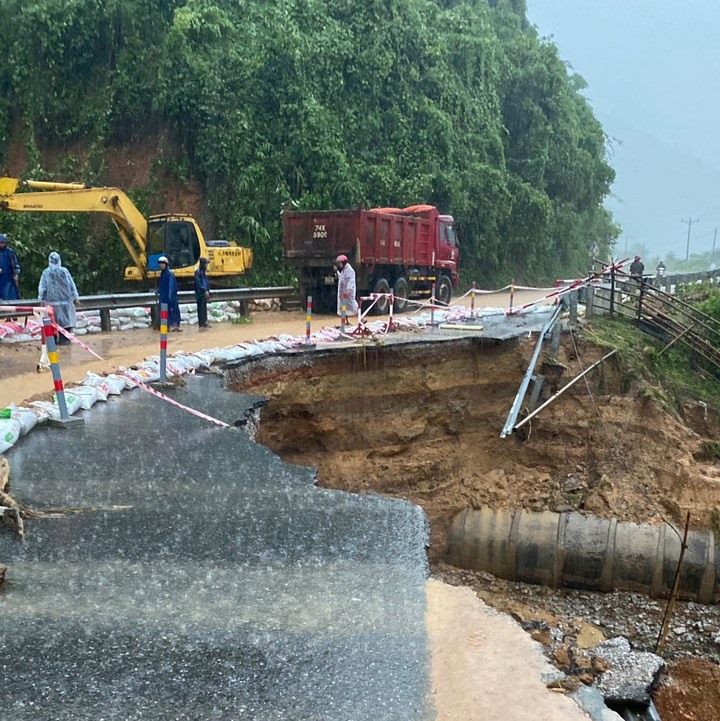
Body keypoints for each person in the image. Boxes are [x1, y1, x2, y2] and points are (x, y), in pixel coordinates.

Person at [38, 252, 79, 345]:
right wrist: (75, 297)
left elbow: (42, 288)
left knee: (52, 321)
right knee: (65, 322)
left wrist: (41, 300)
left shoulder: (46, 272)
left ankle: (54, 342)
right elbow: (72, 284)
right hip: (64, 302)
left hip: (51, 303)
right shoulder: (64, 271)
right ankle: (64, 340)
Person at [158, 256, 182, 332]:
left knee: (173, 312)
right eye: (160, 263)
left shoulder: (169, 274)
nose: (161, 265)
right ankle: (165, 327)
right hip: (163, 297)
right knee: (164, 312)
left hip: (170, 297)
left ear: (166, 264)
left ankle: (175, 326)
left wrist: (170, 297)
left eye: (162, 263)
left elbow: (171, 286)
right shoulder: (162, 274)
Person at [335, 254, 358, 321]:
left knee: (352, 305)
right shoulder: (343, 270)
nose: (339, 265)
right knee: (343, 307)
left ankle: (361, 318)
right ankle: (345, 322)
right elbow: (342, 278)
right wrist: (336, 272)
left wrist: (348, 291)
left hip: (348, 292)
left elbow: (351, 282)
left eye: (339, 263)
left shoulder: (349, 270)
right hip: (342, 292)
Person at [0, 233, 21, 300]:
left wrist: (16, 273)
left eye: (3, 242)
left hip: (9, 279)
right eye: (1, 242)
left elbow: (15, 264)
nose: (2, 244)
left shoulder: (10, 252)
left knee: (10, 296)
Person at [194, 257, 211, 330]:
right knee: (201, 309)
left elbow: (205, 283)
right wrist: (204, 290)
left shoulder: (203, 272)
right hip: (200, 293)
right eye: (206, 264)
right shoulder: (198, 272)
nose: (206, 266)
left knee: (204, 308)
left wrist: (207, 291)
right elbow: (198, 283)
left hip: (204, 293)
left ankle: (205, 322)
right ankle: (201, 324)